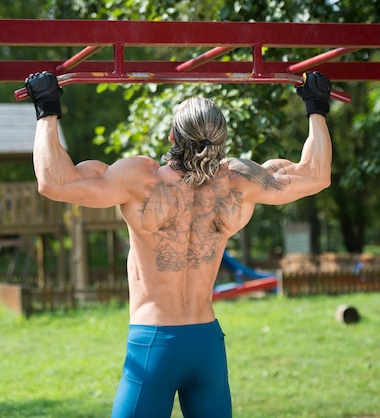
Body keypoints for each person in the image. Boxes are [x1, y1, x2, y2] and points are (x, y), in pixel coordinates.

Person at [25, 70, 333, 418]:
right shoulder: (240, 181)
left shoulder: (141, 180)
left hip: (154, 343)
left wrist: (47, 107)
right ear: (221, 139)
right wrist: (316, 105)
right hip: (206, 344)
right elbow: (316, 174)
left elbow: (54, 181)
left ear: (173, 135)